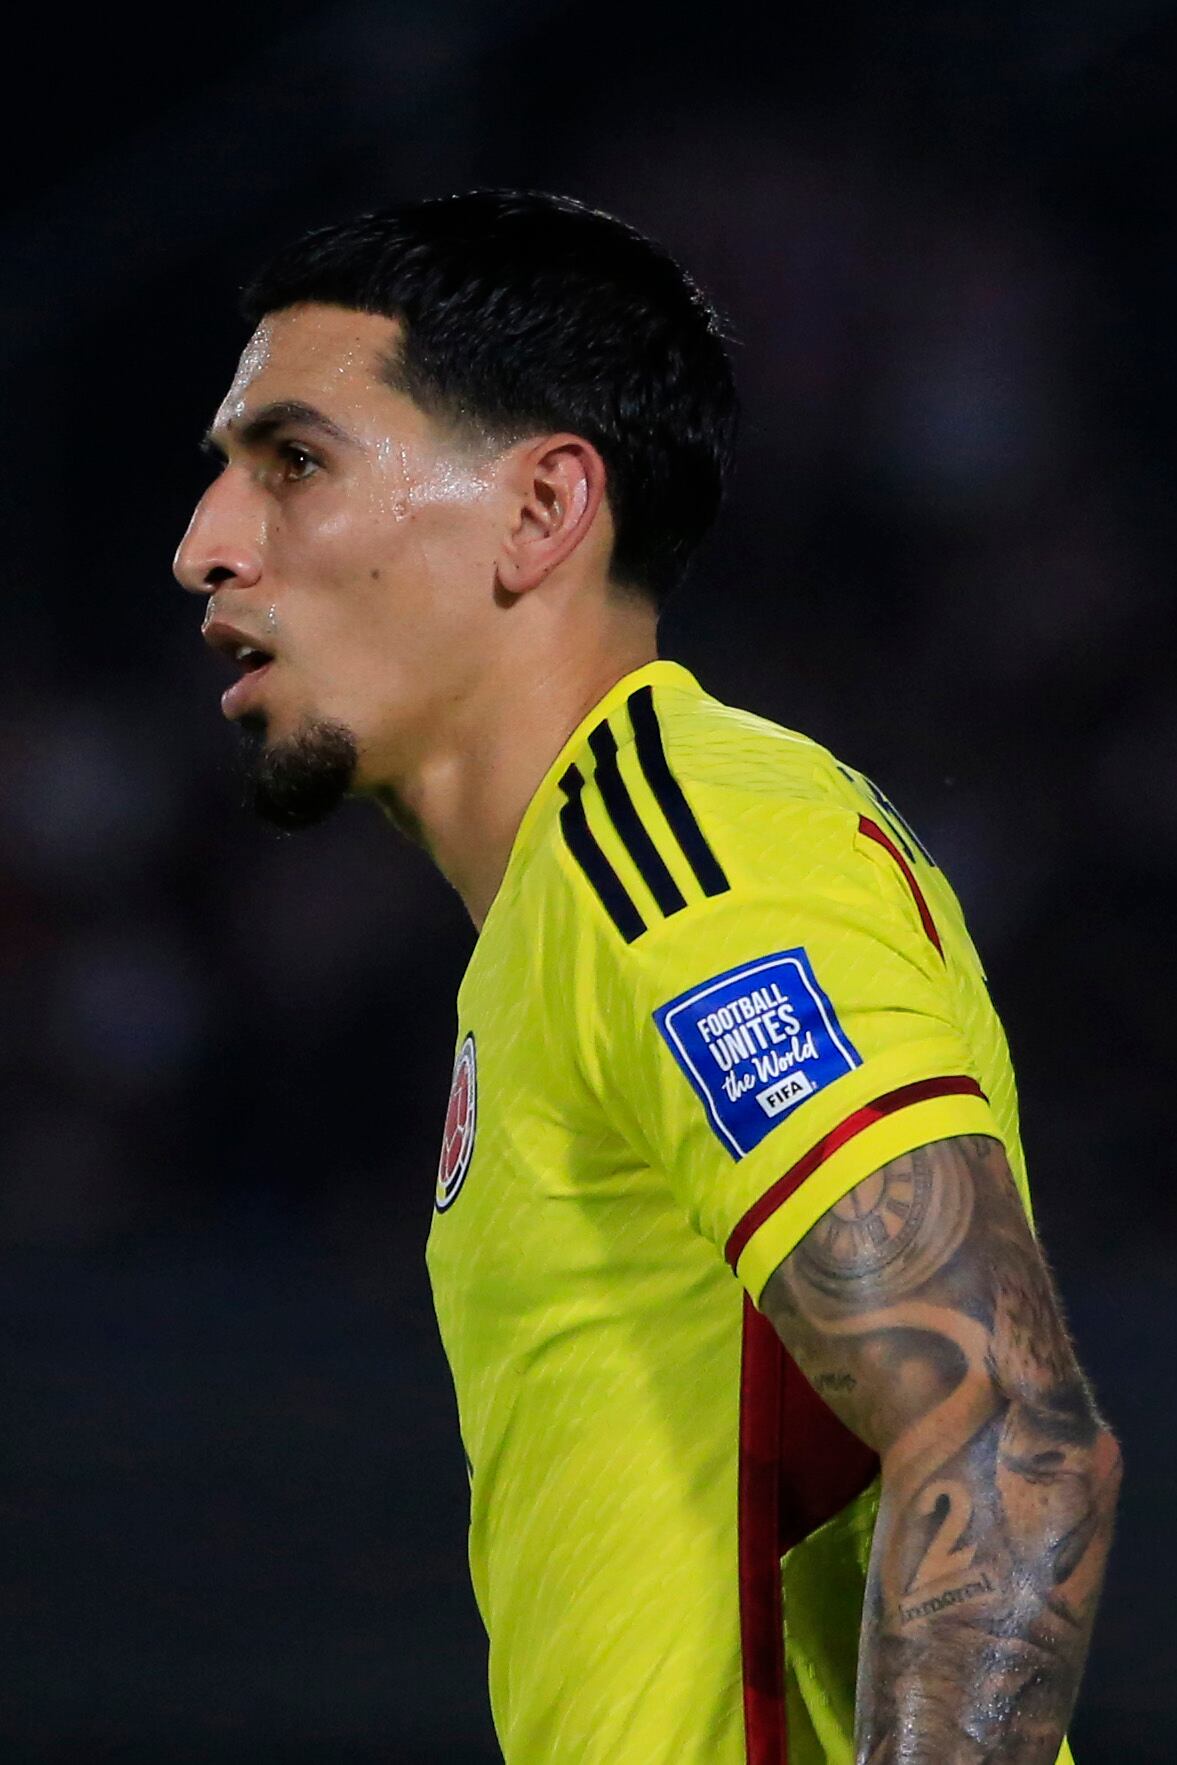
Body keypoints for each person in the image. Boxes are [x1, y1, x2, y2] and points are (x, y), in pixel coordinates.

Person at [173, 189, 1120, 1765]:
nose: (205, 542)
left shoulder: (677, 854)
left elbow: (1008, 1425)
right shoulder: (572, 902)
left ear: (542, 511)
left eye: (294, 462)